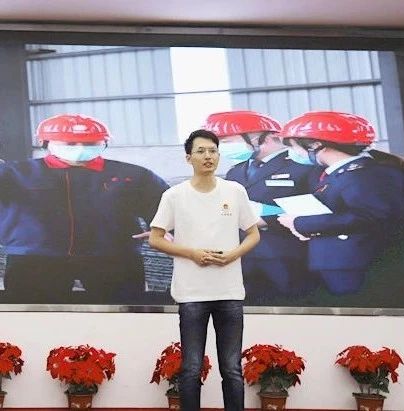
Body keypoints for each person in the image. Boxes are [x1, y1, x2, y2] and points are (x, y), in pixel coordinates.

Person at [0, 114, 169, 304]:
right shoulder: (13, 174)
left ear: (104, 142)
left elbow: (169, 207)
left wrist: (165, 230)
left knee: (124, 314)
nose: (80, 148)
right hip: (34, 259)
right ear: (45, 142)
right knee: (34, 315)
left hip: (115, 259)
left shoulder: (133, 175)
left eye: (90, 143)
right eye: (70, 144)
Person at [149, 129, 260, 411]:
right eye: (201, 151)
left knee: (232, 369)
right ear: (189, 158)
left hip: (229, 292)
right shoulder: (174, 195)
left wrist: (232, 254)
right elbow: (155, 238)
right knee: (191, 368)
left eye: (213, 151)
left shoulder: (235, 191)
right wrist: (192, 253)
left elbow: (253, 234)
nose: (208, 156)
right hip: (191, 293)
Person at [277, 111, 404, 295]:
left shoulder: (365, 174)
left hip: (359, 263)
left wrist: (301, 223)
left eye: (294, 147)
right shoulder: (341, 173)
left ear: (316, 144)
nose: (292, 153)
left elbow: (371, 215)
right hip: (341, 261)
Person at [204, 111, 323, 300]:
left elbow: (321, 209)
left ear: (262, 138)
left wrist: (267, 220)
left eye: (226, 141)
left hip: (287, 256)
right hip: (241, 257)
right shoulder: (236, 172)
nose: (221, 148)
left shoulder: (304, 166)